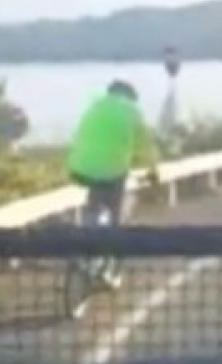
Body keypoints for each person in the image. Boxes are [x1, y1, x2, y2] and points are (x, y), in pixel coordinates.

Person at [67, 80, 158, 288]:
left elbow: (81, 137)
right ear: (130, 96)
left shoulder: (95, 105)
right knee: (116, 219)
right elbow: (146, 145)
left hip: (79, 168)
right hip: (113, 171)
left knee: (95, 203)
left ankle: (85, 242)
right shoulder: (132, 110)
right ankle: (113, 272)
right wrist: (153, 171)